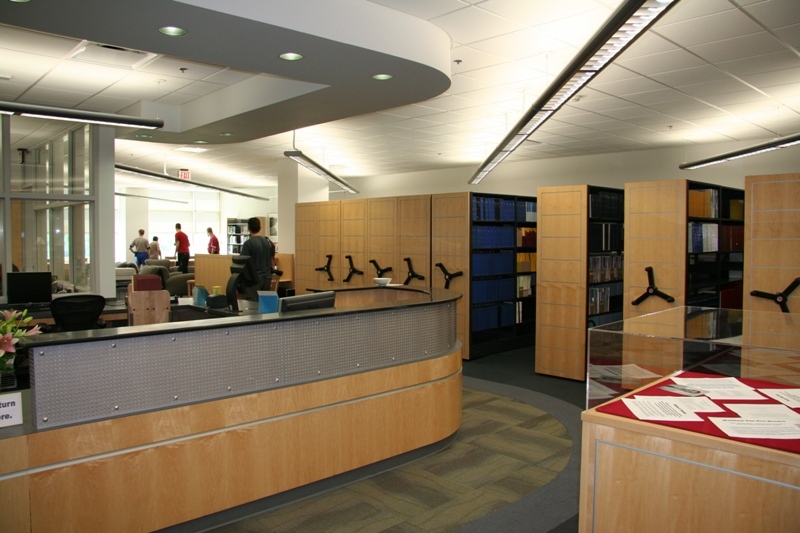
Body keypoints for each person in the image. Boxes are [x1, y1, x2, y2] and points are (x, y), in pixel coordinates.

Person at [239, 217, 275, 300]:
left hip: (254, 280)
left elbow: (242, 263)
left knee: (252, 305)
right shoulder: (268, 242)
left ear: (248, 228)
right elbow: (272, 261)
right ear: (260, 227)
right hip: (267, 279)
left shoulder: (248, 244)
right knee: (265, 304)